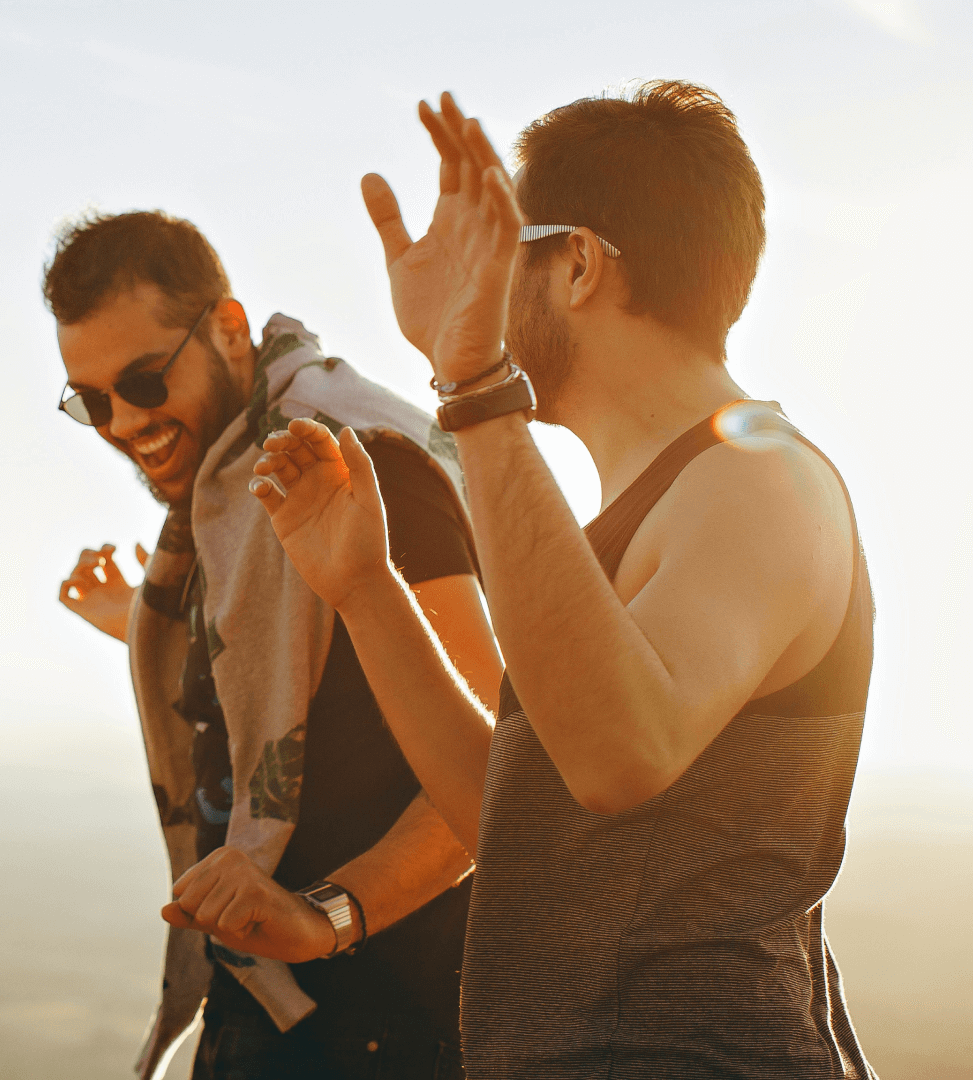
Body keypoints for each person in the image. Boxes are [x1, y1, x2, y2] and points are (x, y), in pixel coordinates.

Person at [223, 84, 876, 1078]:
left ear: (576, 264)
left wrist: (475, 383)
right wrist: (364, 587)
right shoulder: (645, 511)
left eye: (503, 252)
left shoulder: (760, 479)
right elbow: (520, 822)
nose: (480, 283)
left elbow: (619, 756)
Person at [48, 211, 504, 1079]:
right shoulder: (228, 491)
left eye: (142, 381)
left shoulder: (361, 463)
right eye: (91, 400)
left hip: (391, 1022)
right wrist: (146, 622)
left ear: (226, 328)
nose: (119, 423)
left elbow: (494, 765)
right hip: (268, 1008)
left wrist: (328, 917)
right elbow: (302, 682)